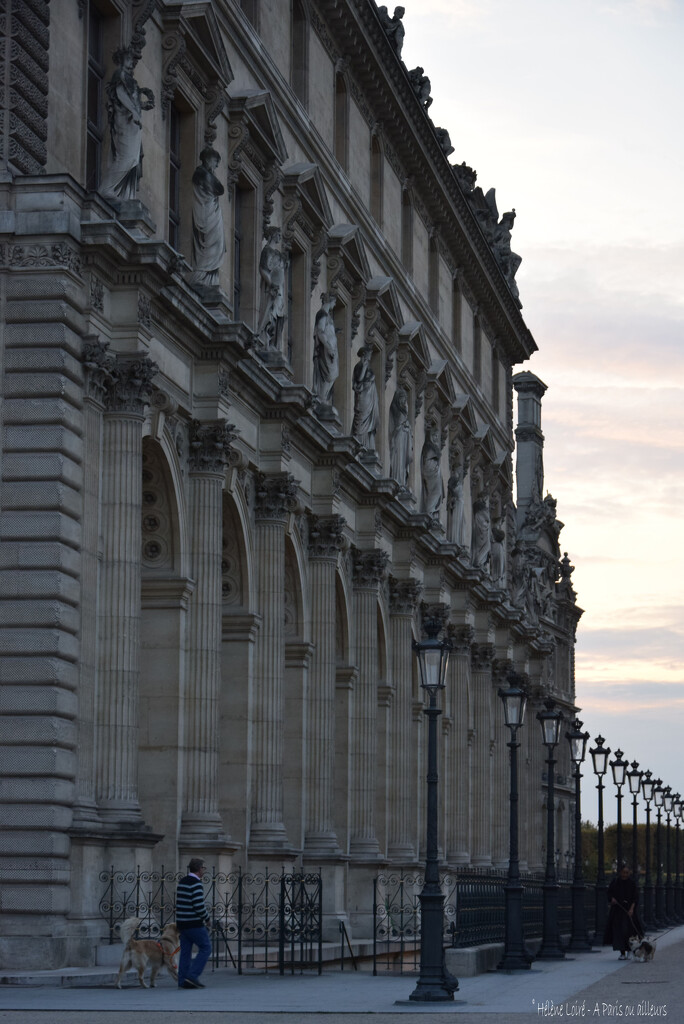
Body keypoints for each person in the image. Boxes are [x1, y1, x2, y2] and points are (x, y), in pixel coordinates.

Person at [99, 47, 154, 201]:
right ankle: (106, 189)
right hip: (125, 121)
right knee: (128, 157)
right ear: (122, 60)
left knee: (133, 160)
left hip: (132, 123)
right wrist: (135, 113)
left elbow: (132, 101)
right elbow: (121, 96)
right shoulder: (120, 75)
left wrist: (143, 105)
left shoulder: (130, 79)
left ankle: (124, 195)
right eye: (129, 59)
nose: (132, 63)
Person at [190, 147, 226, 287]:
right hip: (206, 213)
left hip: (212, 213)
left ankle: (209, 277)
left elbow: (219, 189)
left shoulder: (205, 174)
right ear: (207, 159)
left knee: (216, 244)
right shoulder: (201, 174)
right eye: (215, 161)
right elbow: (220, 189)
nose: (217, 165)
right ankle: (202, 274)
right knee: (209, 243)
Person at [176, 858, 212, 988]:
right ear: (199, 869)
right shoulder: (196, 883)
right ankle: (192, 976)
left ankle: (182, 980)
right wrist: (207, 919)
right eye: (204, 868)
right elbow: (198, 905)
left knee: (185, 952)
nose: (204, 871)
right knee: (206, 947)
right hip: (193, 923)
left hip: (182, 923)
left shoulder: (182, 882)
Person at [603, 863, 644, 959]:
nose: (625, 875)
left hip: (628, 911)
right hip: (617, 911)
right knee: (618, 932)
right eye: (623, 872)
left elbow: (635, 898)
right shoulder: (615, 882)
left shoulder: (632, 883)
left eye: (626, 873)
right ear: (620, 872)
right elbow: (609, 893)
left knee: (628, 931)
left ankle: (630, 950)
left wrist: (631, 909)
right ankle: (622, 953)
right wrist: (612, 899)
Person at [312, 292, 339, 409]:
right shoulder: (322, 314)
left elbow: (326, 331)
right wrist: (328, 347)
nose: (335, 305)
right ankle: (321, 397)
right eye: (334, 302)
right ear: (330, 301)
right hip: (326, 351)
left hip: (330, 350)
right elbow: (320, 331)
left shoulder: (327, 316)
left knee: (333, 374)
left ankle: (323, 397)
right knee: (329, 374)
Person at [351, 345, 379, 449]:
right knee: (361, 417)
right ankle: (359, 442)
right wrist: (364, 366)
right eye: (369, 354)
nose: (370, 356)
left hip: (370, 397)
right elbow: (359, 379)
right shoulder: (359, 366)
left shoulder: (367, 366)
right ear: (364, 354)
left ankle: (366, 444)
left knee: (367, 420)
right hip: (363, 397)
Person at [389, 388, 413, 486]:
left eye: (405, 399)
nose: (404, 401)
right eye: (402, 398)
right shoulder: (395, 409)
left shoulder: (403, 413)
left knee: (401, 461)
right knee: (397, 458)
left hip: (403, 439)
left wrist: (407, 428)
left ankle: (401, 480)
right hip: (398, 439)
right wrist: (403, 426)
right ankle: (396, 477)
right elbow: (395, 427)